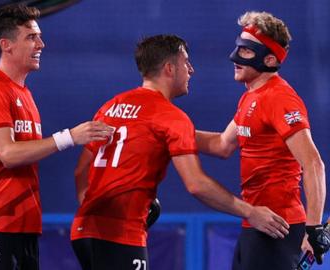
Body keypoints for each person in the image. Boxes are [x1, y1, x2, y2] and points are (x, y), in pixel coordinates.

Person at [70, 34, 291, 270]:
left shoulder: (111, 106)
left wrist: (93, 208)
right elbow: (196, 184)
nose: (191, 70)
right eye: (186, 63)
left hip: (83, 230)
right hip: (120, 234)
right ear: (169, 69)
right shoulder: (171, 117)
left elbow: (80, 170)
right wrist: (251, 212)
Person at [0, 4, 113, 270]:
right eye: (31, 37)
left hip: (23, 225)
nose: (41, 43)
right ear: (6, 45)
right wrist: (69, 137)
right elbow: (8, 154)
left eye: (38, 36)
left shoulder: (24, 94)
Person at [195, 11, 327, 269]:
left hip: (278, 228)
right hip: (255, 222)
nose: (234, 57)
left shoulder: (280, 98)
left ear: (268, 59)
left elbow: (313, 164)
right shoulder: (250, 96)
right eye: (238, 47)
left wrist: (314, 229)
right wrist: (169, 131)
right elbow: (222, 144)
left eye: (246, 51)